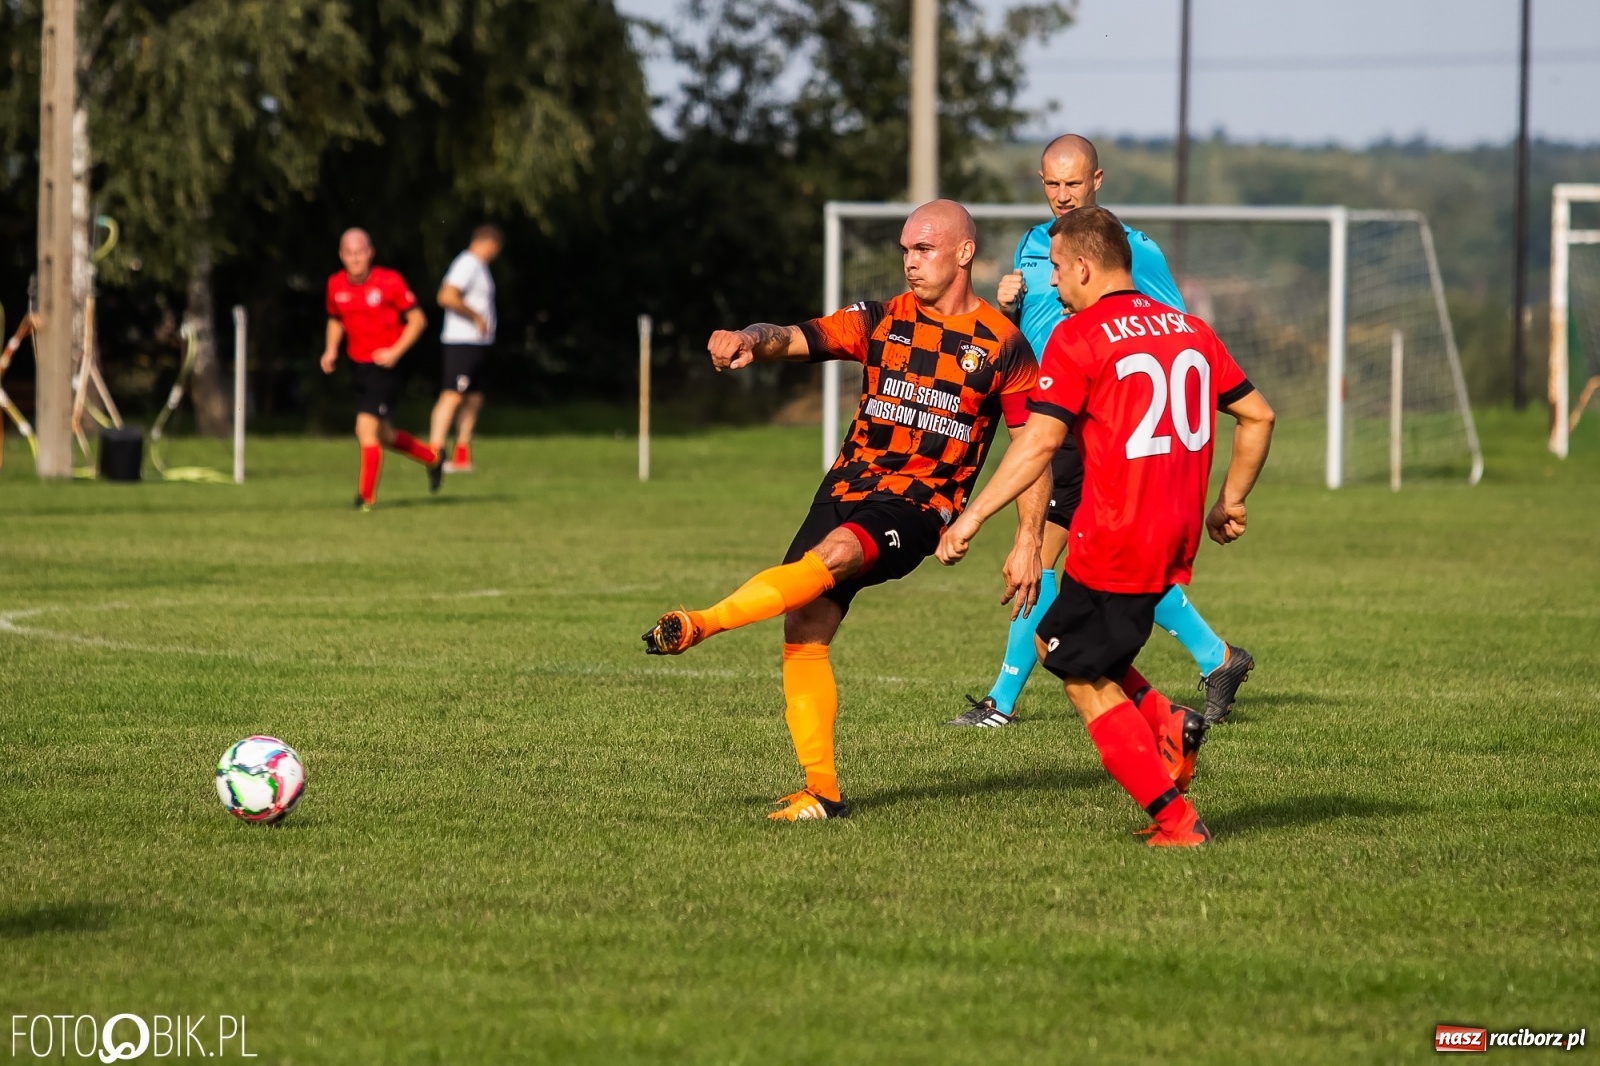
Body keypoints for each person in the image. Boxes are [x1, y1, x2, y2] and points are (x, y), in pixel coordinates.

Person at [641, 200, 1050, 822]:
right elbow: (795, 337)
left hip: (919, 504)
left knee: (833, 557)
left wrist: (1027, 539)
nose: (910, 262)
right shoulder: (880, 319)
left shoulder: (1004, 345)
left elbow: (1033, 451)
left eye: (925, 249)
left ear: (964, 253)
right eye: (905, 250)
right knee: (803, 633)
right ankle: (822, 792)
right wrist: (748, 340)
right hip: (845, 488)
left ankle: (702, 622)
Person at [937, 206, 1276, 847]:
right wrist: (1228, 502)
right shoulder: (1191, 331)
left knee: (1081, 680)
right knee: (1055, 642)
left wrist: (973, 516)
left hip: (1118, 531)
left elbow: (1037, 444)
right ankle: (1168, 721)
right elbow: (1258, 416)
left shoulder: (1080, 336)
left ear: (1086, 267)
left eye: (1058, 269)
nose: (1054, 284)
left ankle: (1175, 821)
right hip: (1173, 533)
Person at [947, 133, 1253, 729]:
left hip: (1093, 426)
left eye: (1074, 183)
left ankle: (1001, 703)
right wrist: (1008, 304)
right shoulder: (1037, 244)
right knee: (1094, 563)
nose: (1063, 195)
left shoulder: (1135, 252)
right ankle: (1216, 657)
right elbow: (1038, 323)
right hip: (1049, 415)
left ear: (1097, 181)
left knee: (1042, 554)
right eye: (1052, 184)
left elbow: (1169, 328)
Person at [320, 228, 442, 510]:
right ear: (341, 255)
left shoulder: (390, 281)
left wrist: (395, 351)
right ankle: (433, 457)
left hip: (386, 367)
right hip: (358, 366)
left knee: (365, 428)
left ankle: (365, 498)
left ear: (370, 252)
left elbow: (418, 321)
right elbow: (336, 319)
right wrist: (331, 349)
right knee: (383, 434)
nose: (355, 259)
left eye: (360, 252)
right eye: (349, 254)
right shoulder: (335, 284)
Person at [429, 225, 503, 473]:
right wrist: (475, 317)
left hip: (478, 343)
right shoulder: (467, 263)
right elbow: (446, 296)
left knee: (474, 398)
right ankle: (435, 451)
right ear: (490, 243)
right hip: (462, 341)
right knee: (452, 395)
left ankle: (462, 454)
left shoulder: (480, 267)